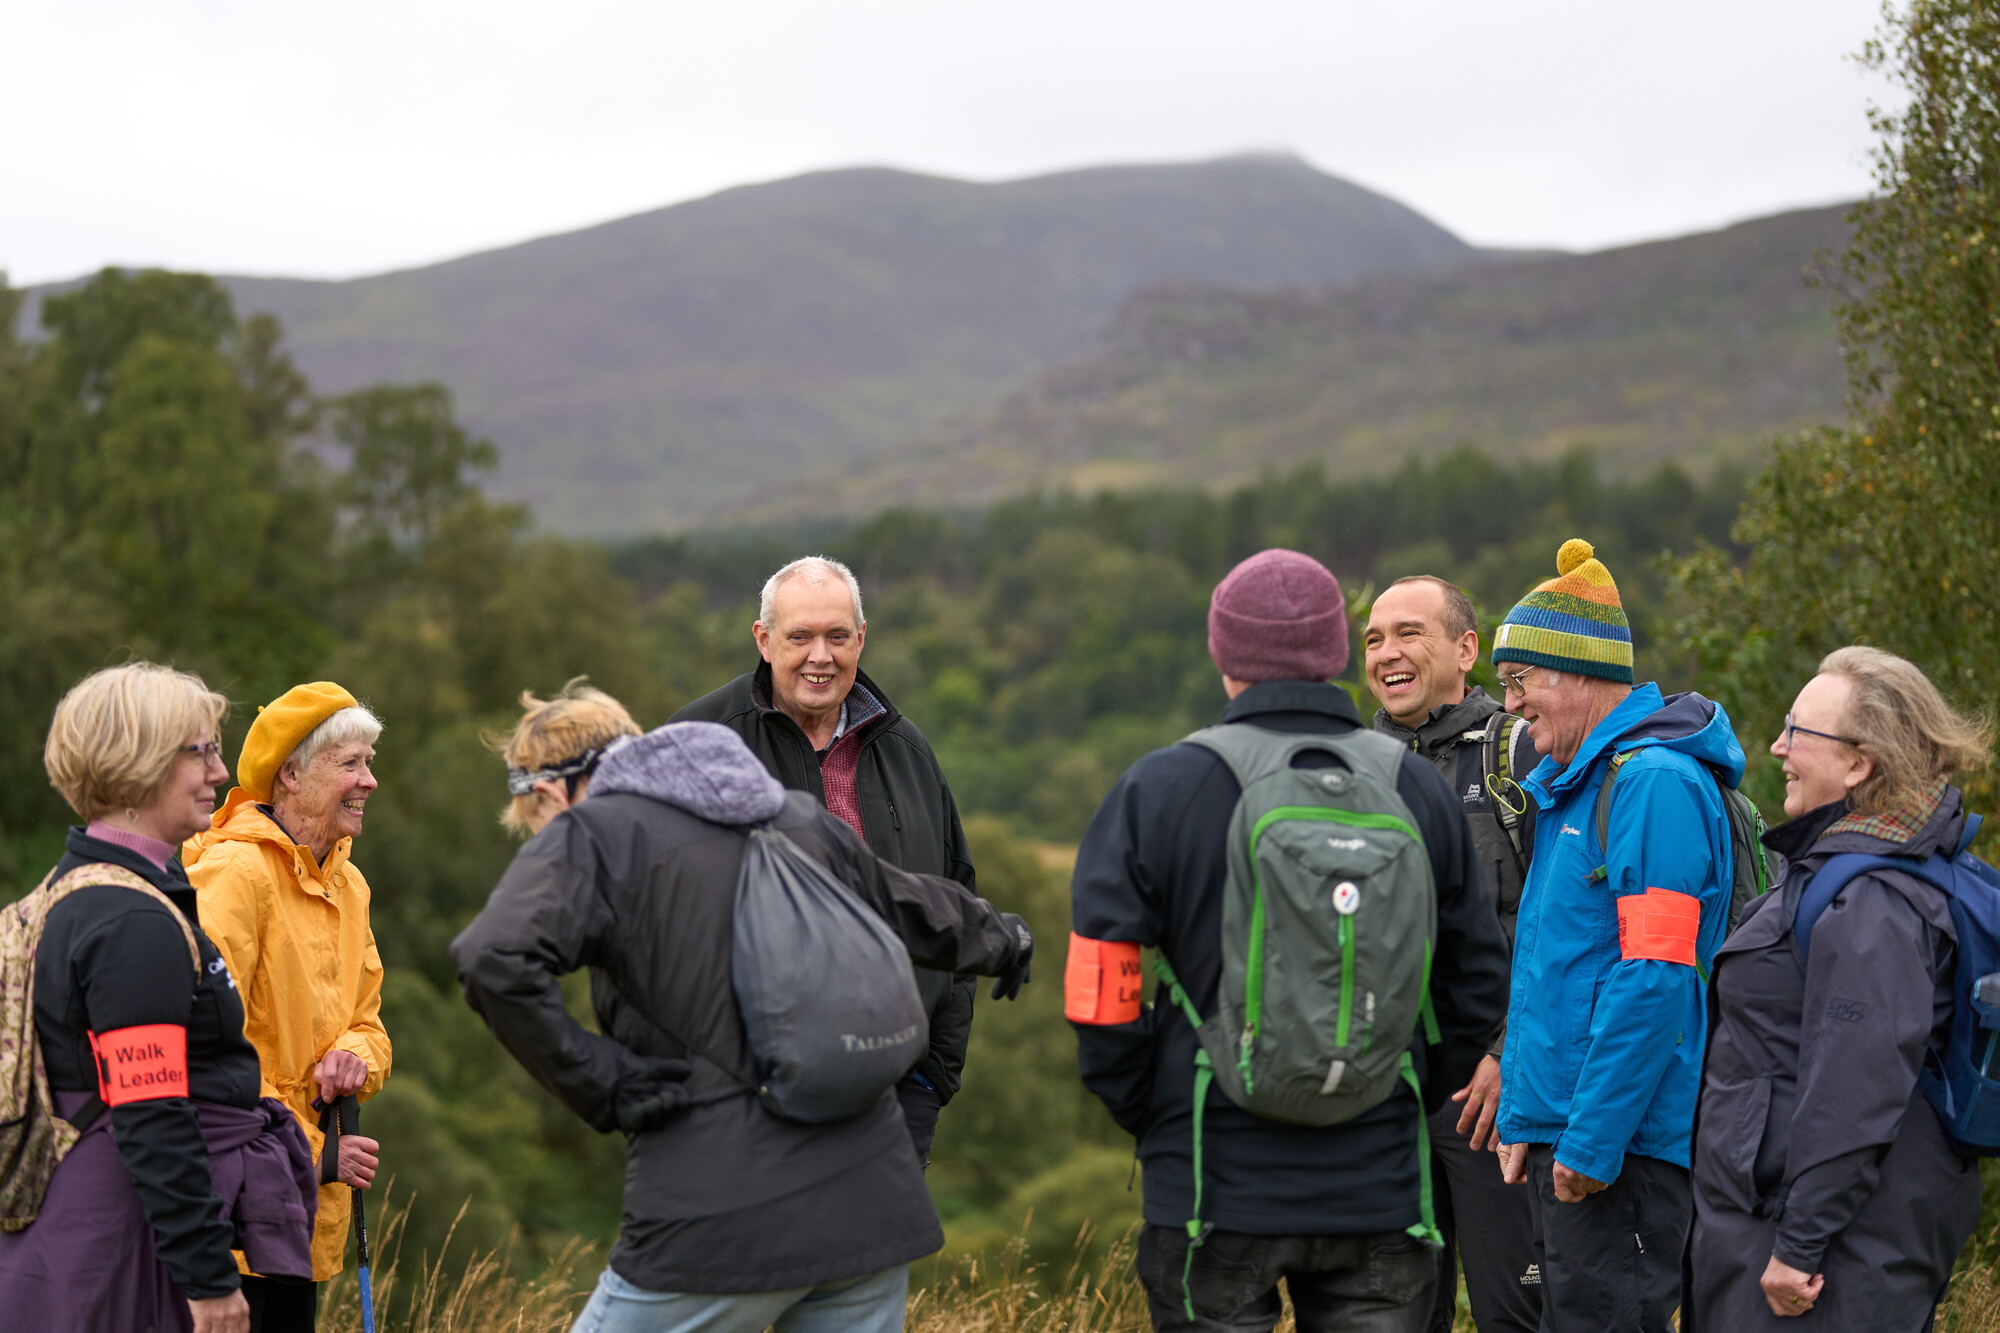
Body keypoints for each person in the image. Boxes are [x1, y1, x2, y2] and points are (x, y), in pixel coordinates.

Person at [451, 699, 1035, 1333]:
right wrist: (1003, 939)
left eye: (533, 820)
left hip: (714, 1216)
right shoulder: (790, 813)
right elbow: (904, 902)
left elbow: (492, 958)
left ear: (550, 792)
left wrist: (606, 1083)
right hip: (869, 1206)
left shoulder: (590, 833)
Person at [1069, 548, 1510, 1333]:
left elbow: (1101, 985)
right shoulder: (1413, 788)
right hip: (1379, 1181)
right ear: (1337, 653)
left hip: (1211, 1178)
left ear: (1222, 651)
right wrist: (1395, 1083)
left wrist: (1154, 1108)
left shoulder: (1162, 787)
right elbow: (1474, 985)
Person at [0, 663, 317, 1333]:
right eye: (199, 750)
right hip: (127, 1245)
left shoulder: (64, 897)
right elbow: (151, 1111)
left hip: (73, 1230)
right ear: (137, 763)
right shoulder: (130, 922)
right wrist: (206, 1278)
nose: (220, 770)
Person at [1686, 646, 1988, 1330]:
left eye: (1797, 731)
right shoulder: (1837, 869)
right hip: (1787, 1234)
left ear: (1859, 763)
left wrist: (1797, 1245)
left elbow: (1857, 1084)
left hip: (1823, 1262)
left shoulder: (1874, 898)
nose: (1777, 745)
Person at [1489, 539, 1742, 1333]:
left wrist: (1590, 1143)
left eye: (1521, 680)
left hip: (1619, 1156)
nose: (1513, 703)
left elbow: (1655, 976)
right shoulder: (1581, 788)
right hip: (1580, 1143)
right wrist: (1527, 1119)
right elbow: (1561, 973)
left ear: (1576, 672)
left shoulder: (1653, 785)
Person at [672, 555, 980, 1165]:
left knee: (875, 1264)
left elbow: (957, 903)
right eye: (801, 637)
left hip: (894, 1095)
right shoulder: (698, 744)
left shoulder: (907, 750)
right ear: (763, 641)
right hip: (745, 1102)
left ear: (860, 639)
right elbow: (652, 925)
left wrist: (931, 1077)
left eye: (838, 636)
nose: (821, 656)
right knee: (763, 1263)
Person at [184, 682, 392, 1329]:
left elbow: (370, 1025)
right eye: (352, 764)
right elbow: (206, 1052)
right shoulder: (235, 874)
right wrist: (314, 1154)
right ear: (292, 774)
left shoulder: (349, 884)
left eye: (370, 762)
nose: (370, 781)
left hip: (299, 1216)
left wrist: (353, 1058)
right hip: (232, 1217)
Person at [1364, 575, 1541, 1333]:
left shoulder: (1521, 754)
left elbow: (1562, 929)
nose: (1386, 653)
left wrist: (1511, 1054)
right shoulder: (1350, 769)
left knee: (1521, 1314)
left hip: (1493, 1099)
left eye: (1409, 633)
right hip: (1379, 1102)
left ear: (1466, 649)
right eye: (1373, 639)